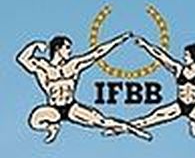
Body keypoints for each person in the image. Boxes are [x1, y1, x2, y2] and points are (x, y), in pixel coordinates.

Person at [16, 31, 147, 139]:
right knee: (34, 121)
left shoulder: (73, 65)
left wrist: (118, 40)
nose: (70, 51)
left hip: (71, 107)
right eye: (67, 48)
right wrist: (35, 45)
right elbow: (22, 59)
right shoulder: (43, 67)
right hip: (53, 109)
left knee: (102, 121)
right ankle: (52, 127)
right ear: (57, 49)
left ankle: (132, 129)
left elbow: (96, 53)